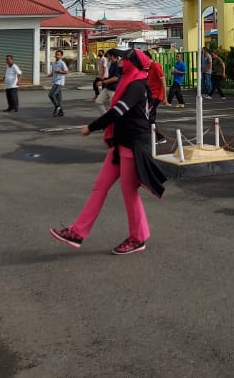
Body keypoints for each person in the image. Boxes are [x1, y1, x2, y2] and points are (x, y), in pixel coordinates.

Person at [49, 49, 166, 254]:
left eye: (124, 58)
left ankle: (138, 238)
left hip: (133, 146)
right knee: (100, 187)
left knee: (129, 193)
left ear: (132, 64)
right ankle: (77, 232)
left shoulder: (137, 86)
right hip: (120, 144)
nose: (120, 60)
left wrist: (91, 127)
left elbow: (117, 112)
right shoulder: (128, 81)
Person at [49, 49, 68, 117]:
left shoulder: (62, 63)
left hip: (59, 82)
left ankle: (57, 107)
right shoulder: (54, 63)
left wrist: (59, 72)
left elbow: (66, 72)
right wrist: (50, 75)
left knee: (52, 95)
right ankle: (60, 112)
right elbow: (53, 72)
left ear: (61, 56)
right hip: (55, 82)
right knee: (58, 98)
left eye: (58, 55)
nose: (57, 56)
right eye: (56, 54)